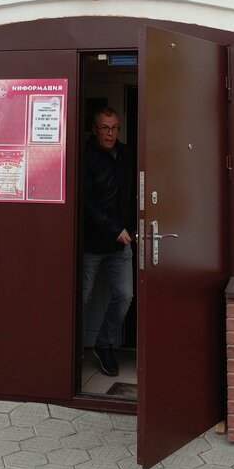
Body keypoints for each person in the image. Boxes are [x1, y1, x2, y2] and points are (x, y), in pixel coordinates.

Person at [81, 106, 136, 377]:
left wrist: (133, 226)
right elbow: (86, 202)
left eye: (114, 128)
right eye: (105, 128)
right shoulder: (85, 156)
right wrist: (114, 228)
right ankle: (72, 353)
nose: (110, 133)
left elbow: (137, 190)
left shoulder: (127, 154)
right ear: (94, 129)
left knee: (125, 296)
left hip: (119, 244)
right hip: (90, 243)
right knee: (81, 299)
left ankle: (104, 346)